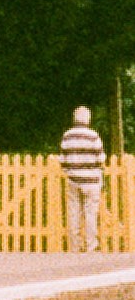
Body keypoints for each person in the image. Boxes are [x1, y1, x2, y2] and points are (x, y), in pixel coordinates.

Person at [61, 105, 107, 254]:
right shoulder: (93, 136)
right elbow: (100, 159)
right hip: (91, 181)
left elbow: (63, 160)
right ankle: (91, 246)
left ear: (75, 118)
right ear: (88, 118)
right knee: (90, 213)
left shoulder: (67, 136)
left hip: (73, 179)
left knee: (74, 213)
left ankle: (75, 246)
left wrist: (70, 171)